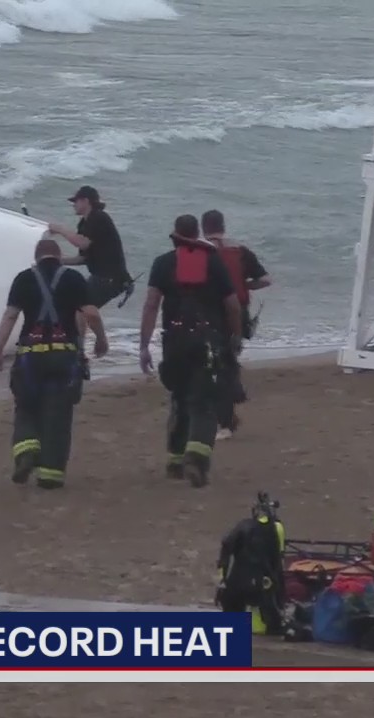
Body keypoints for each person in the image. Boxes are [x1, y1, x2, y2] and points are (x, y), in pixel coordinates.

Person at [0, 236, 109, 489]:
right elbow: (90, 314)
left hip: (30, 357)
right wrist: (101, 340)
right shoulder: (73, 278)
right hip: (64, 356)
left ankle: (26, 451)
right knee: (59, 414)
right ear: (59, 256)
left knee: (26, 406)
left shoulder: (23, 279)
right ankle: (50, 476)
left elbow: (10, 316)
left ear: (36, 258)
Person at [137, 215, 242, 488]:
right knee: (204, 402)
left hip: (175, 342)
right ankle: (196, 458)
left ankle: (175, 462)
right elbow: (232, 305)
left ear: (175, 234)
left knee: (180, 399)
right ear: (197, 235)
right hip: (207, 342)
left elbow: (151, 305)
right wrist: (235, 336)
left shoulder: (162, 263)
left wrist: (144, 346)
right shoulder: (214, 262)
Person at [202, 210, 271, 440]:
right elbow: (265, 280)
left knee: (216, 367)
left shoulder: (201, 252)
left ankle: (226, 421)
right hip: (239, 314)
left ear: (204, 228)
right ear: (223, 226)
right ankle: (233, 396)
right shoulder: (240, 251)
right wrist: (243, 284)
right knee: (227, 360)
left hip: (212, 314)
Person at [46, 186, 132, 308]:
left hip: (111, 278)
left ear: (85, 201)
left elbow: (82, 243)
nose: (73, 205)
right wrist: (57, 260)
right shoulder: (83, 224)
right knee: (78, 306)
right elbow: (82, 258)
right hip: (100, 277)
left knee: (81, 308)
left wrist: (60, 230)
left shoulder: (99, 217)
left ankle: (88, 320)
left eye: (76, 201)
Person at [215, 493, 287, 636]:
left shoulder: (243, 526)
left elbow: (226, 548)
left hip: (238, 582)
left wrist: (222, 578)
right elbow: (278, 561)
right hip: (262, 585)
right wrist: (280, 592)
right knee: (268, 626)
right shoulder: (277, 528)